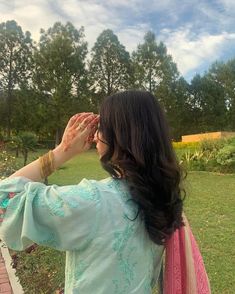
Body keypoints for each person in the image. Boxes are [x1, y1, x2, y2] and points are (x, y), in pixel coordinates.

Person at [0, 90, 210, 293]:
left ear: (118, 135)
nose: (96, 136)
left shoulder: (92, 200)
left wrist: (62, 152)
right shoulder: (161, 198)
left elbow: (4, 199)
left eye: (101, 127)